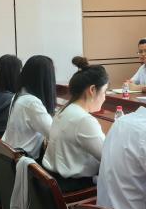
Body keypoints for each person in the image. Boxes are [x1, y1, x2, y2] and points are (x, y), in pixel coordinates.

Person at [43, 57, 108, 192]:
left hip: (53, 181)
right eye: (104, 91)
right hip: (73, 187)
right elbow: (108, 157)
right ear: (92, 90)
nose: (105, 97)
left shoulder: (64, 110)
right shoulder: (83, 120)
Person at [2, 55, 56, 159]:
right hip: (24, 161)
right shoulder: (31, 103)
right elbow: (54, 134)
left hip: (11, 156)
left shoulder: (19, 95)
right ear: (46, 79)